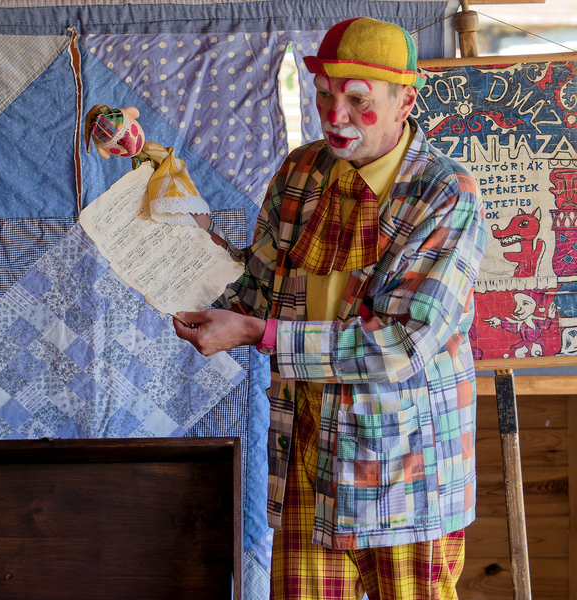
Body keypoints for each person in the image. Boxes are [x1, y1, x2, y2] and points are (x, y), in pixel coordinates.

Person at [175, 17, 487, 599]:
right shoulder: (301, 172)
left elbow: (402, 344)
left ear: (405, 102)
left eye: (358, 99)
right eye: (323, 94)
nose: (334, 114)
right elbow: (257, 291)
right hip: (309, 453)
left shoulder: (446, 193)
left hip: (408, 468)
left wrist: (259, 333)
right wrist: (184, 233)